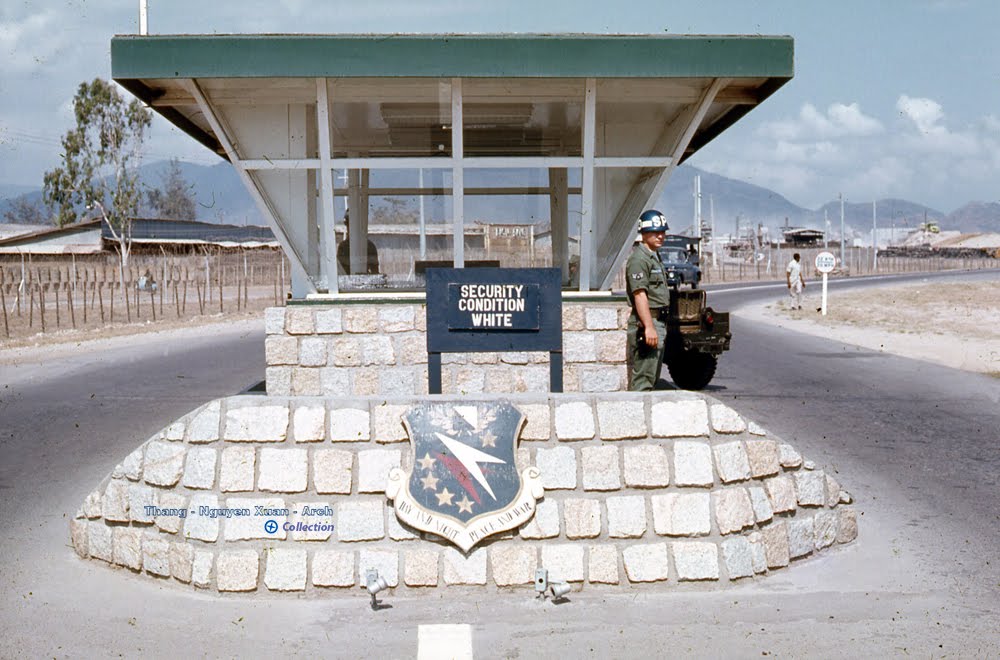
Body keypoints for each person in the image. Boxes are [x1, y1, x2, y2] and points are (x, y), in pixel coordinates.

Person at [626, 209, 671, 391]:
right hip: (647, 322)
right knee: (643, 382)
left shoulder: (653, 256)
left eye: (663, 232)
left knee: (651, 379)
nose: (661, 236)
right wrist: (649, 326)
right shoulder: (639, 259)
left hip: (656, 321)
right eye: (655, 232)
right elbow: (639, 294)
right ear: (644, 234)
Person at [336, 210, 380, 275]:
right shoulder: (343, 247)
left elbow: (375, 272)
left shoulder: (370, 246)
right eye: (349, 225)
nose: (350, 228)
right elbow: (340, 271)